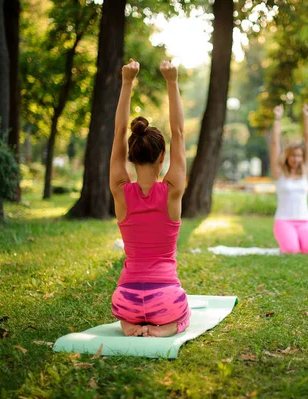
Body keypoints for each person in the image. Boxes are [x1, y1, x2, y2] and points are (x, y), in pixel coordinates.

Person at [109, 58, 189, 337]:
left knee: (126, 309)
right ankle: (166, 328)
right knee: (184, 311)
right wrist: (172, 81)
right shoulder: (172, 190)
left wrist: (127, 82)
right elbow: (178, 132)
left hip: (125, 300)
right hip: (166, 300)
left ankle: (130, 325)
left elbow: (119, 131)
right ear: (162, 157)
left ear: (130, 156)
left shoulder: (120, 189)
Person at [269, 103, 308, 254]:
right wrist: (277, 118)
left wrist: (306, 117)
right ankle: (288, 239)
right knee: (291, 250)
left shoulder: (305, 172)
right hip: (284, 221)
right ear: (287, 156)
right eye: (292, 155)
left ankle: (298, 238)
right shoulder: (279, 173)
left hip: (304, 221)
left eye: (298, 155)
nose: (296, 159)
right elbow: (274, 143)